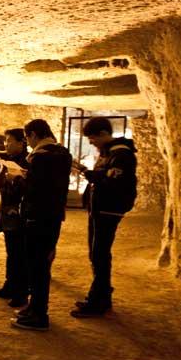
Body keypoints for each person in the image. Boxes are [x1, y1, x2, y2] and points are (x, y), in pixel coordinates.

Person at [71, 117, 137, 318]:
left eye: (92, 138)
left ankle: (98, 303)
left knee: (99, 254)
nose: (90, 142)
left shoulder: (121, 154)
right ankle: (100, 297)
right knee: (96, 254)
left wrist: (85, 171)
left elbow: (111, 180)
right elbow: (104, 176)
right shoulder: (109, 152)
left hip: (109, 208)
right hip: (100, 208)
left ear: (102, 134)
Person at [12, 119, 72, 331]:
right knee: (41, 264)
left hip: (37, 216)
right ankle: (34, 307)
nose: (27, 142)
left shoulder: (40, 157)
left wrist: (18, 178)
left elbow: (34, 189)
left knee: (37, 265)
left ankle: (38, 314)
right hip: (53, 215)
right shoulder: (62, 153)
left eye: (27, 137)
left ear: (34, 135)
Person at [0, 129, 31, 307]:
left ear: (22, 142)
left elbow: (28, 189)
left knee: (19, 253)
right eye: (6, 141)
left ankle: (20, 292)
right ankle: (10, 285)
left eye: (10, 141)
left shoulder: (28, 162)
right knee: (11, 251)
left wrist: (15, 178)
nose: (6, 145)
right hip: (7, 209)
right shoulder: (10, 160)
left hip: (18, 211)